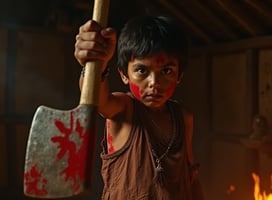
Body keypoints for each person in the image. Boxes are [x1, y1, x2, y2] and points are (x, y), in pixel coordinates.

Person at [74, 15, 204, 200]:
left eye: (166, 71)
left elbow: (190, 177)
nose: (154, 83)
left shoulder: (183, 118)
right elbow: (97, 100)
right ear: (124, 75)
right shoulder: (123, 109)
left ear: (179, 75)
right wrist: (95, 65)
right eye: (142, 71)